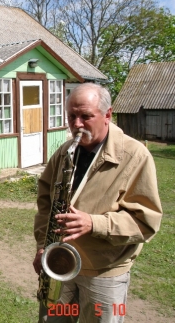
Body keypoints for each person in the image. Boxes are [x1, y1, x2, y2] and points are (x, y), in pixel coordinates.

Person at [33, 83, 163, 323]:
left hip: (104, 274)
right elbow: (45, 202)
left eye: (86, 116)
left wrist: (94, 224)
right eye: (72, 116)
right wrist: (43, 245)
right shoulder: (64, 152)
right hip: (59, 266)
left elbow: (146, 221)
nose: (77, 124)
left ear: (108, 115)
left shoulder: (136, 156)